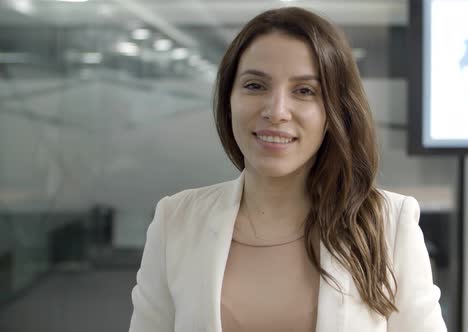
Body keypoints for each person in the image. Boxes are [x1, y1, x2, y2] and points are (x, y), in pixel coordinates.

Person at [129, 6, 447, 332]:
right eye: (255, 85)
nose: (277, 111)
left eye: (305, 91)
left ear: (335, 111)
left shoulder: (388, 223)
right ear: (228, 98)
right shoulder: (176, 220)